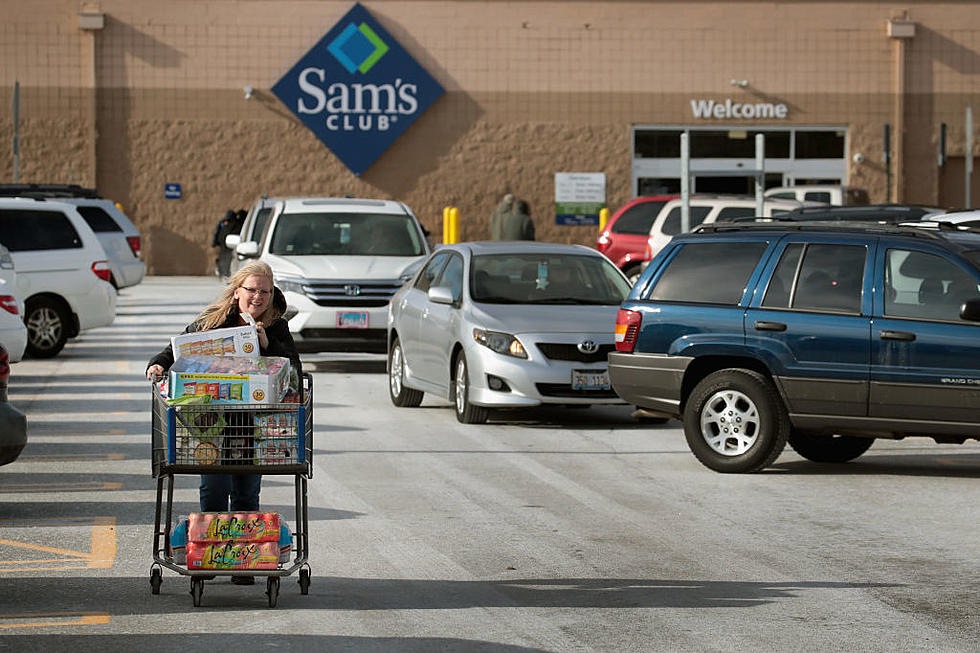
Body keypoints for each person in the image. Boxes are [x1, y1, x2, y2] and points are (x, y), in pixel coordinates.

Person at [145, 261, 301, 583]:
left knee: (246, 490)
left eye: (265, 292)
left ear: (272, 295)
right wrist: (158, 364)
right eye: (252, 290)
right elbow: (177, 349)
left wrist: (267, 347)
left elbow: (294, 371)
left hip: (251, 425)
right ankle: (209, 556)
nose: (257, 297)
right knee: (214, 489)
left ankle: (245, 561)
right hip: (211, 424)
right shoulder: (214, 321)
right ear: (237, 293)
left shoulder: (277, 327)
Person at [212, 210, 239, 278]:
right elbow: (217, 233)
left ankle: (225, 273)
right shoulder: (225, 224)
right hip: (225, 247)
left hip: (230, 247)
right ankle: (223, 272)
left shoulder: (234, 225)